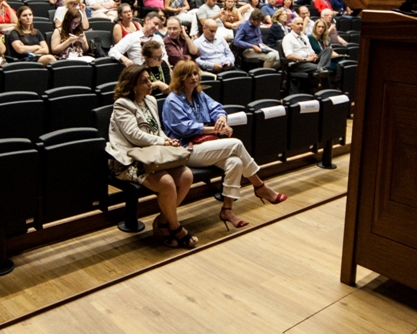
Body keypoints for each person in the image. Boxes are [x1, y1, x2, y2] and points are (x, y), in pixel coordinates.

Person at [162, 60, 287, 228]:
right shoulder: (173, 100)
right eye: (189, 75)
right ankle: (260, 186)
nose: (194, 77)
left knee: (235, 162)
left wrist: (221, 119)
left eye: (195, 73)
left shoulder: (199, 95)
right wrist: (216, 129)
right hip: (185, 149)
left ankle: (227, 210)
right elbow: (185, 129)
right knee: (235, 144)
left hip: (205, 145)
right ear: (180, 78)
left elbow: (217, 108)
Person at [106, 65, 196, 248]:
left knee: (187, 176)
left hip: (152, 155)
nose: (150, 83)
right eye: (144, 81)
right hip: (128, 159)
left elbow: (158, 130)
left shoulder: (151, 100)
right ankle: (175, 226)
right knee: (167, 183)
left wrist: (167, 140)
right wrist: (162, 142)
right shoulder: (122, 104)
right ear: (132, 86)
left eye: (149, 79)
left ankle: (162, 221)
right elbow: (134, 135)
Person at [280, 14, 322, 93]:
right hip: (298, 64)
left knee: (327, 51)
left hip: (309, 61)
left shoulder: (304, 36)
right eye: (298, 24)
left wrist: (313, 55)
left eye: (302, 24)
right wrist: (305, 59)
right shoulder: (288, 38)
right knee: (320, 69)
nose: (300, 26)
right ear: (292, 26)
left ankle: (321, 67)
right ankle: (322, 70)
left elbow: (310, 50)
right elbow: (289, 56)